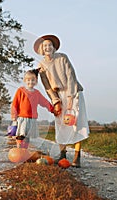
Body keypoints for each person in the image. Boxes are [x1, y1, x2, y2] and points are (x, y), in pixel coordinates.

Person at [33, 34, 89, 167]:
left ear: (54, 47)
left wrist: (70, 97)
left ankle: (77, 157)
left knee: (76, 123)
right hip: (59, 96)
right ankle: (63, 155)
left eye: (50, 45)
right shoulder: (41, 65)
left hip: (73, 92)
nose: (47, 47)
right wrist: (55, 101)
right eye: (45, 45)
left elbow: (71, 77)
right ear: (41, 49)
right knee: (61, 124)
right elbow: (47, 87)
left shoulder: (62, 58)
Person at [11, 69, 54, 148]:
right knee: (21, 136)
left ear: (36, 81)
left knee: (27, 137)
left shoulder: (37, 93)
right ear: (25, 80)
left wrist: (52, 109)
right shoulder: (20, 91)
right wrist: (14, 116)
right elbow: (14, 104)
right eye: (28, 80)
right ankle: (19, 150)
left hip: (32, 119)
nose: (30, 82)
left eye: (33, 80)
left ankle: (25, 151)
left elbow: (44, 102)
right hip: (22, 118)